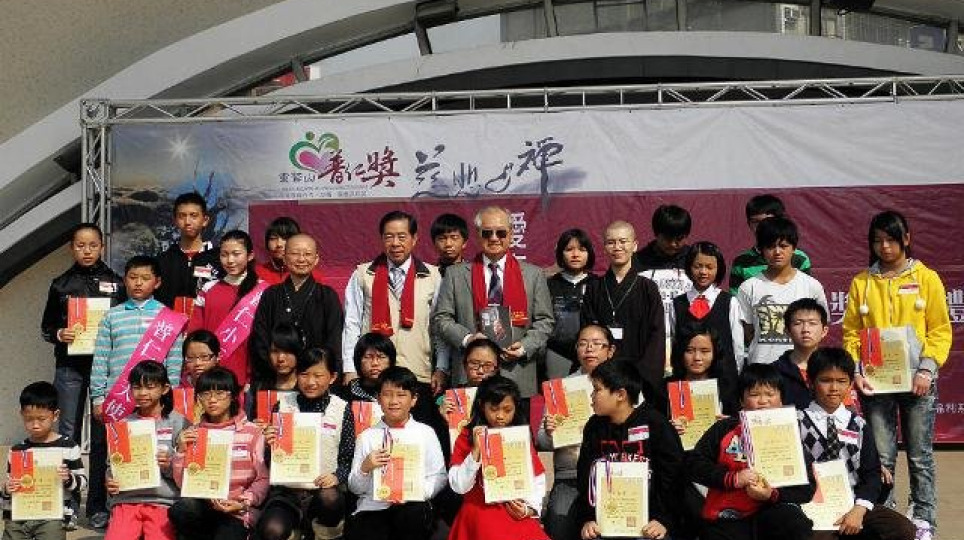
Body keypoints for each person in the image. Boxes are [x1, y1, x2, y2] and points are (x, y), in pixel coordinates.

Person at [842, 211, 951, 540]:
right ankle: (885, 517)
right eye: (877, 241)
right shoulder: (862, 283)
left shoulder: (927, 278)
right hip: (876, 383)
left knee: (920, 456)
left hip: (918, 382)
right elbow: (851, 333)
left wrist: (926, 369)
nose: (885, 247)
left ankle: (923, 520)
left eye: (891, 239)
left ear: (906, 239)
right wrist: (856, 371)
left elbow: (940, 330)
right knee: (881, 457)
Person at [89, 255, 184, 530]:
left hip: (154, 401)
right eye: (132, 277)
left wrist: (169, 398)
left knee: (154, 451)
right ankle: (110, 507)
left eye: (145, 278)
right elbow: (101, 359)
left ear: (157, 282)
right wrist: (98, 397)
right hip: (117, 400)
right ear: (125, 280)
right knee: (111, 455)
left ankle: (154, 505)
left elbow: (174, 362)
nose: (138, 283)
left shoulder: (168, 317)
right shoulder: (112, 315)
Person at [433, 206, 554, 400]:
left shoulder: (533, 275)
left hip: (516, 372)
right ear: (478, 235)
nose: (494, 238)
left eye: (501, 232)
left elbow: (545, 321)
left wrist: (523, 347)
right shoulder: (455, 274)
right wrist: (468, 339)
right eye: (487, 233)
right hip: (470, 373)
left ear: (511, 234)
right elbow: (442, 318)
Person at [686, 363, 815, 540]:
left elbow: (807, 488)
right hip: (728, 515)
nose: (763, 401)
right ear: (741, 400)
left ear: (781, 400)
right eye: (754, 395)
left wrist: (772, 494)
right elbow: (694, 464)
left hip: (772, 512)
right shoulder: (724, 429)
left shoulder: (790, 433)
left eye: (770, 394)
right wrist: (733, 479)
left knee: (795, 523)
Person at [799, 348, 917, 540]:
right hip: (811, 503)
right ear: (810, 382)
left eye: (841, 381)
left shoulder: (859, 425)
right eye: (826, 380)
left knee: (902, 529)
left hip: (853, 501)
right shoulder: (797, 422)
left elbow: (872, 474)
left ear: (850, 384)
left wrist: (859, 509)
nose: (834, 388)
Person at [342, 211, 444, 413]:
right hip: (373, 376)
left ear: (414, 239)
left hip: (417, 372)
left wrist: (441, 367)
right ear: (381, 239)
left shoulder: (432, 276)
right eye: (389, 237)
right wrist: (350, 368)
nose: (395, 243)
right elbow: (351, 323)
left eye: (402, 236)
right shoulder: (363, 274)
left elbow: (439, 327)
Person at [576, 359, 683, 540]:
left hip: (649, 523)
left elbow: (673, 476)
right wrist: (588, 519)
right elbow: (585, 476)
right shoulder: (594, 427)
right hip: (605, 521)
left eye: (597, 390)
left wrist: (663, 520)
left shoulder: (656, 424)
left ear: (620, 394)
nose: (592, 395)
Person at [41, 223, 126, 447]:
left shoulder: (117, 283)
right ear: (71, 248)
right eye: (80, 246)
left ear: (102, 247)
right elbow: (46, 327)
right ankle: (71, 469)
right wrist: (60, 333)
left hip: (107, 365)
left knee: (104, 424)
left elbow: (125, 321)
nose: (87, 251)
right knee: (68, 426)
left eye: (93, 245)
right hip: (70, 366)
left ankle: (99, 471)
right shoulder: (60, 285)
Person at [258, 347, 354, 540]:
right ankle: (295, 531)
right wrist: (268, 444)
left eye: (318, 375)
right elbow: (269, 461)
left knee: (330, 499)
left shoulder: (342, 408)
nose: (310, 382)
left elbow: (348, 456)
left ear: (332, 377)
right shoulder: (283, 405)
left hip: (324, 491)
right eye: (304, 374)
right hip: (287, 491)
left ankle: (323, 534)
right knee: (272, 529)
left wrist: (336, 476)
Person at [346, 366, 447, 540]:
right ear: (378, 399)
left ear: (414, 399)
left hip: (412, 505)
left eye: (401, 395)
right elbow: (355, 488)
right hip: (374, 506)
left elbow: (439, 476)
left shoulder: (425, 433)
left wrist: (416, 492)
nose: (393, 401)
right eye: (387, 394)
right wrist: (365, 468)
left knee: (413, 516)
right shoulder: (367, 436)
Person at [170, 367, 269, 540]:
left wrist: (243, 501)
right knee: (182, 509)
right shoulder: (193, 433)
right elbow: (182, 483)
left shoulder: (252, 432)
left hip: (237, 510)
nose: (212, 400)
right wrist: (181, 451)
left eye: (220, 393)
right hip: (204, 507)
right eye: (205, 394)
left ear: (233, 396)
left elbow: (262, 478)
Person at [537, 324, 615, 540]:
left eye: (597, 344)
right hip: (570, 475)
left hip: (613, 473)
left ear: (610, 351)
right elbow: (541, 441)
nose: (589, 349)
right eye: (583, 344)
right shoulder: (561, 388)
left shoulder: (623, 385)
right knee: (558, 522)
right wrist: (549, 432)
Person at [447, 376, 548, 540]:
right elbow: (459, 486)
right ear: (482, 405)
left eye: (507, 410)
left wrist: (528, 509)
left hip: (513, 510)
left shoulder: (518, 437)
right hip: (479, 510)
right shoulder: (467, 436)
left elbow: (537, 478)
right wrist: (475, 452)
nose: (500, 416)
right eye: (494, 409)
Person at [581, 221, 665, 409]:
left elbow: (656, 335)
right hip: (603, 378)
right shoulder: (594, 288)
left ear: (634, 245)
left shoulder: (648, 288)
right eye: (611, 242)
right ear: (604, 248)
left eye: (623, 241)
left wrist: (640, 376)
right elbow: (587, 331)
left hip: (639, 378)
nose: (617, 247)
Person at [104, 361, 189, 540]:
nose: (142, 393)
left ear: (165, 389)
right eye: (137, 387)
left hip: (162, 501)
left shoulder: (179, 423)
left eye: (150, 387)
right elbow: (113, 464)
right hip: (126, 500)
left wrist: (170, 464)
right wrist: (111, 481)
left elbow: (189, 469)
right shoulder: (122, 425)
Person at [250, 233, 343, 383]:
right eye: (294, 254)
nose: (301, 259)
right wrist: (275, 370)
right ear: (284, 257)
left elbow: (334, 340)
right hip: (277, 378)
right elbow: (260, 338)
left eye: (307, 254)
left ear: (316, 259)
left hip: (314, 380)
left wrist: (319, 373)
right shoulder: (271, 294)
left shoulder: (327, 296)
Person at [1, 382, 87, 540]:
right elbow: (8, 488)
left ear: (55, 415)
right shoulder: (18, 450)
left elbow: (83, 483)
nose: (35, 425)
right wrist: (7, 490)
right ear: (22, 414)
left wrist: (68, 478)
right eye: (29, 419)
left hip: (53, 516)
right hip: (20, 515)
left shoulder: (68, 447)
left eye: (41, 419)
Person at [737, 216, 827, 366]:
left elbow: (819, 329)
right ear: (761, 249)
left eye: (784, 246)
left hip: (802, 369)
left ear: (794, 248)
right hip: (762, 370)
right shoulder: (748, 287)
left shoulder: (812, 286)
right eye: (771, 247)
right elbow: (747, 332)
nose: (777, 252)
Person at [187, 230, 266, 388]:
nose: (230, 260)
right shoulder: (208, 289)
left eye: (236, 254)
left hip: (250, 374)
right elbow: (195, 332)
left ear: (250, 255)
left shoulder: (264, 291)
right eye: (224, 254)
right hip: (211, 374)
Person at [673, 241, 744, 372]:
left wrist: (736, 372)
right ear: (689, 267)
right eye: (698, 266)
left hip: (723, 376)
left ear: (718, 269)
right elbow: (672, 339)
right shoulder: (677, 303)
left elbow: (737, 344)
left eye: (710, 267)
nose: (703, 272)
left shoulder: (729, 302)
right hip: (687, 377)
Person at [729, 194, 812, 295]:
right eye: (755, 222)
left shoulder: (800, 259)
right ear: (749, 224)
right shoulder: (741, 262)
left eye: (767, 220)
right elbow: (736, 300)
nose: (761, 226)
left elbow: (807, 295)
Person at [155, 192, 222, 315]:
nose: (187, 222)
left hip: (207, 326)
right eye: (182, 216)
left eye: (193, 216)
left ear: (205, 220)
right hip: (170, 325)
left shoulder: (219, 259)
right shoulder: (162, 261)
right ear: (175, 221)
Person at [546, 229, 597, 380]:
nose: (575, 254)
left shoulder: (598, 284)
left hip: (591, 352)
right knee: (559, 393)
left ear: (589, 253)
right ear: (560, 253)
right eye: (569, 249)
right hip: (557, 352)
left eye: (582, 249)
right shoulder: (549, 284)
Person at [668, 323, 740, 417]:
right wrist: (668, 424)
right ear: (680, 352)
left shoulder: (728, 389)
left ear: (715, 353)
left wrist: (727, 422)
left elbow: (738, 419)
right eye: (689, 351)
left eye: (705, 351)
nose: (697, 358)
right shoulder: (665, 390)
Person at [773, 299, 830, 410]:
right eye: (798, 323)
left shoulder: (834, 369)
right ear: (787, 331)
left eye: (812, 323)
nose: (805, 329)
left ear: (824, 331)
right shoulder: (774, 372)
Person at [245, 323, 302, 424]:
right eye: (275, 351)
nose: (280, 358)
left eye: (287, 352)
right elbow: (248, 421)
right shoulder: (258, 387)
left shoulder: (307, 388)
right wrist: (254, 427)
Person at [254, 216, 325, 286]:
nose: (279, 244)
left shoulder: (313, 276)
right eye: (273, 238)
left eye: (285, 238)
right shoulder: (257, 273)